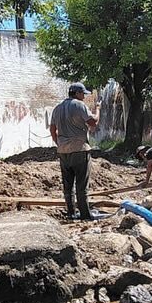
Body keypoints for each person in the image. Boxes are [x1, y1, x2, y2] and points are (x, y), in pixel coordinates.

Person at [50, 82, 99, 219]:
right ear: (77, 93)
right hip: (80, 149)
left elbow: (52, 129)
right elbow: (93, 122)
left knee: (68, 185)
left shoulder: (57, 108)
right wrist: (97, 110)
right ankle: (85, 215)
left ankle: (71, 213)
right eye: (83, 93)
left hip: (63, 151)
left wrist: (58, 143)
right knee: (81, 185)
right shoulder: (79, 105)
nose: (84, 96)